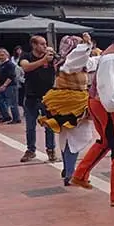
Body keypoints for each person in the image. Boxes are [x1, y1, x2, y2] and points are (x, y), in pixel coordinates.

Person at [70, 22, 114, 207]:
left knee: (106, 141)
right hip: (108, 105)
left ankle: (80, 174)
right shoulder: (112, 56)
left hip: (101, 102)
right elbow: (107, 89)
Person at [37, 35, 96, 186]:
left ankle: (67, 169)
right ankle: (69, 173)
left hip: (65, 102)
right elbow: (79, 59)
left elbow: (91, 62)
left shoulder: (66, 61)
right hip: (72, 104)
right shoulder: (69, 62)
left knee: (67, 138)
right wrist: (86, 46)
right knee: (74, 138)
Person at [19, 35, 57, 162]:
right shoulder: (26, 56)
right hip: (31, 97)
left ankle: (51, 150)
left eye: (45, 44)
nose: (45, 46)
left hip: (48, 97)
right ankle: (31, 150)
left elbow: (64, 65)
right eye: (42, 44)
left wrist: (53, 57)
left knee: (50, 126)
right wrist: (43, 60)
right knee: (30, 126)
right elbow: (26, 67)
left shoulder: (51, 57)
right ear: (34, 45)